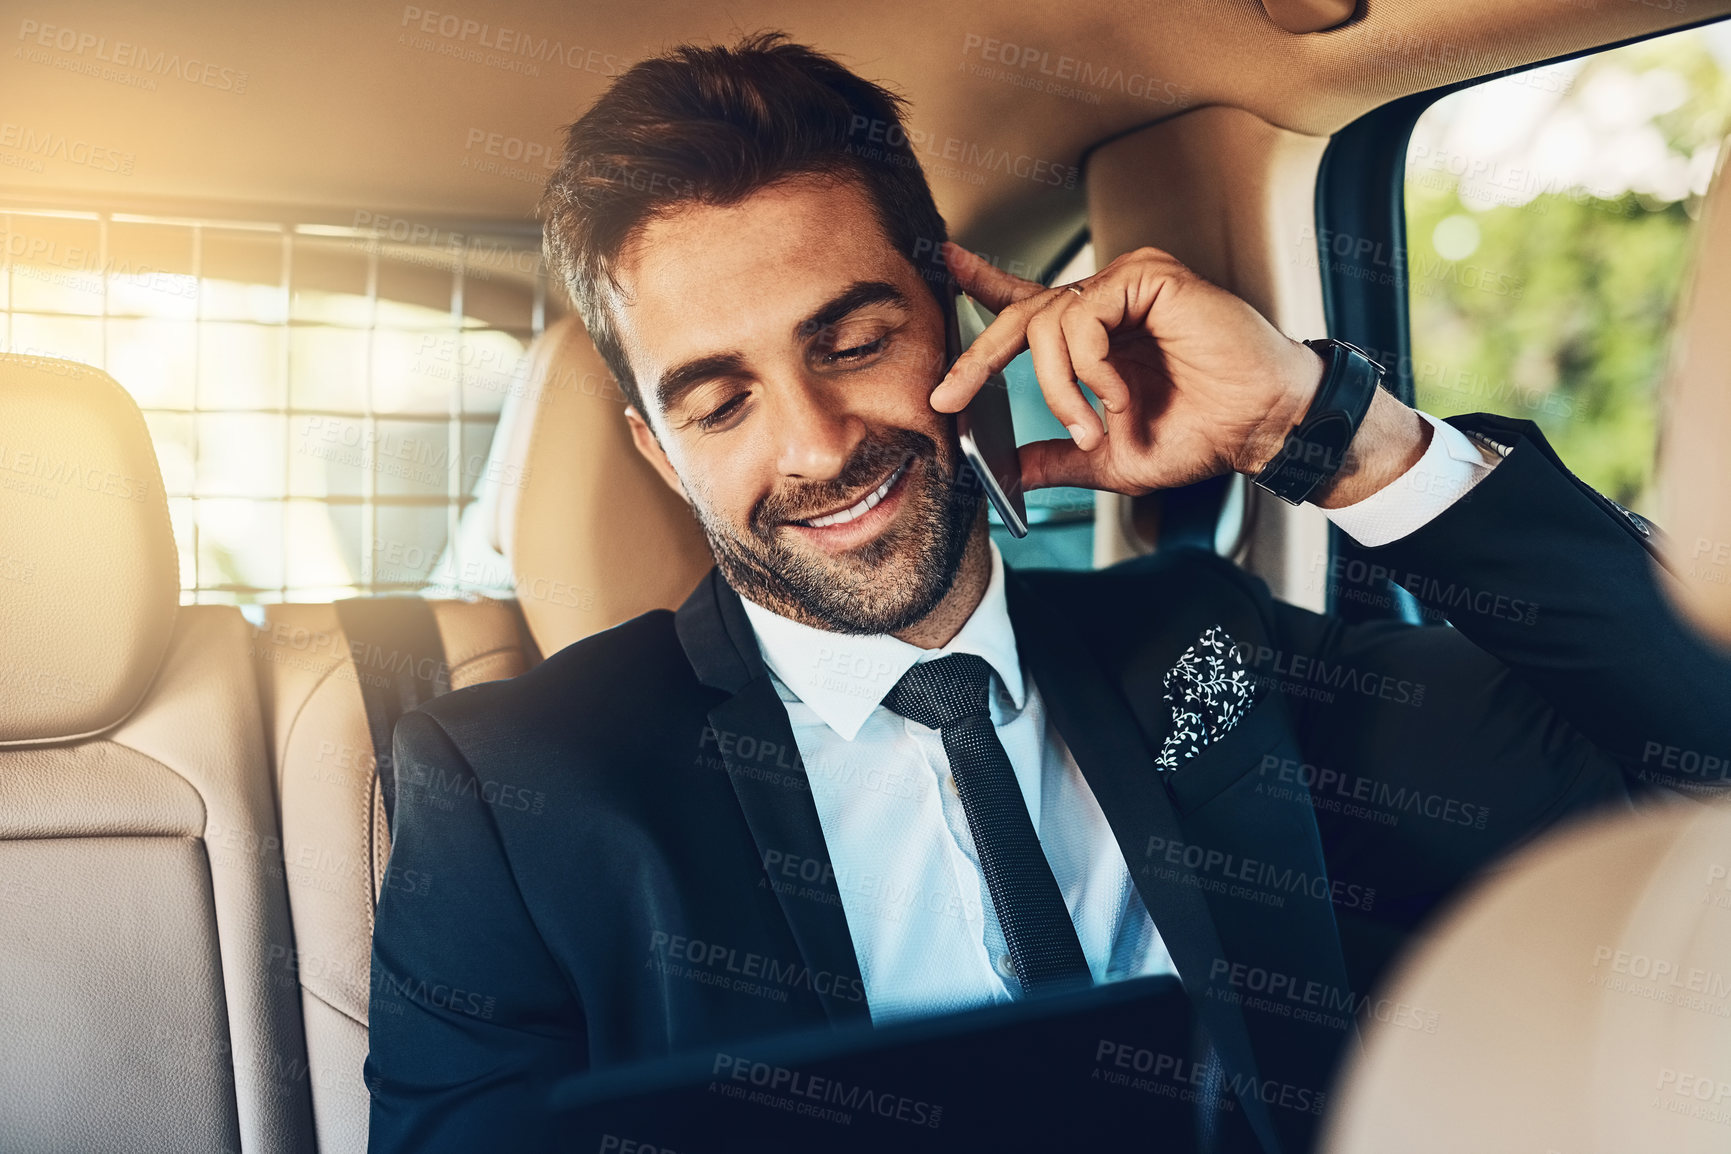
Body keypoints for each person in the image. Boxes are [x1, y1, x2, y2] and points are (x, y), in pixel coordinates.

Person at [363, 31, 1731, 1154]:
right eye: (722, 402)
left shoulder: (1207, 641)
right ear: (659, 450)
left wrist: (1322, 431)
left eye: (854, 339)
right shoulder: (514, 793)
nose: (821, 441)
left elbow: (1693, 749)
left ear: (957, 323)